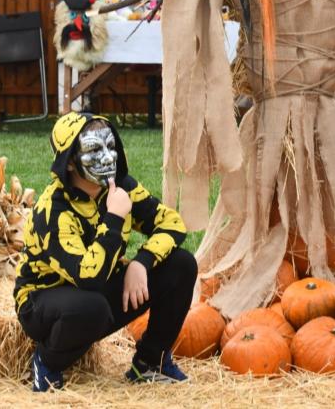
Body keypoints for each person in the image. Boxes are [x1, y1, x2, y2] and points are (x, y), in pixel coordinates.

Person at [13, 112, 197, 391]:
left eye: (111, 146)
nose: (108, 158)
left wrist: (141, 263)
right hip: (44, 302)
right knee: (92, 307)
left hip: (95, 290)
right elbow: (88, 278)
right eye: (94, 149)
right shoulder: (53, 210)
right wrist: (113, 219)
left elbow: (173, 223)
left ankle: (149, 362)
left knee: (181, 264)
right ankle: (47, 362)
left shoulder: (122, 187)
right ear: (71, 161)